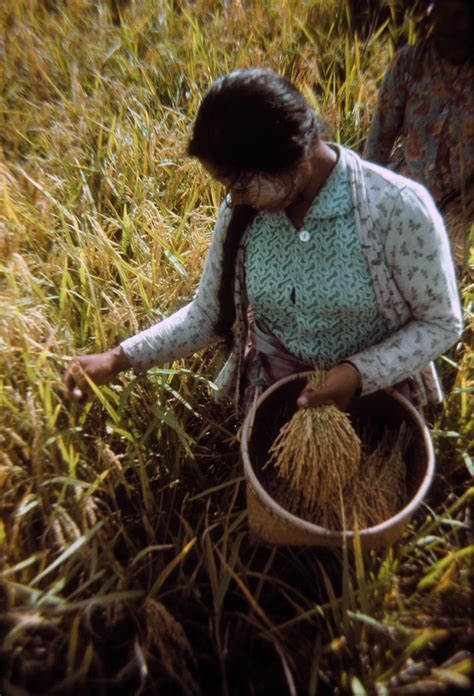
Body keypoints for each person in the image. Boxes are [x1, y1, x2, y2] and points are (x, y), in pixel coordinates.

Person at [63, 68, 462, 417]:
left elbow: (440, 322)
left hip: (376, 394)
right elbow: (207, 315)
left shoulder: (395, 208)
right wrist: (119, 358)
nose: (232, 198)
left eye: (239, 183)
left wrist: (359, 373)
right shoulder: (244, 212)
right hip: (277, 388)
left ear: (295, 155)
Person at [364, 0, 474, 267]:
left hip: (464, 210)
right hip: (407, 199)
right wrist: (363, 203)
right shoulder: (410, 64)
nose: (449, 23)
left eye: (460, 15)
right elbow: (379, 141)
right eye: (442, 11)